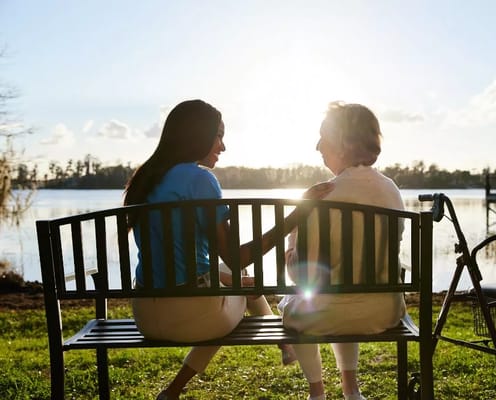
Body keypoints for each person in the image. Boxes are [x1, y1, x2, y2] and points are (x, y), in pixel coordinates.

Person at [123, 99, 331, 400]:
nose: (223, 146)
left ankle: (172, 391)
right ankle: (284, 346)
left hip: (145, 314)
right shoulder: (200, 179)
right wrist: (296, 217)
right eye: (218, 135)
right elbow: (236, 256)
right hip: (192, 315)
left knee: (234, 278)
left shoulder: (146, 178)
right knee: (238, 279)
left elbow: (198, 263)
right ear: (197, 135)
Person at [279, 101, 406, 400]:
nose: (317, 146)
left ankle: (317, 393)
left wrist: (292, 239)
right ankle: (352, 391)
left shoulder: (323, 195)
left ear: (343, 143)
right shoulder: (391, 190)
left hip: (324, 315)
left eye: (323, 136)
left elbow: (303, 275)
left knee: (301, 299)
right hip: (383, 312)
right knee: (341, 295)